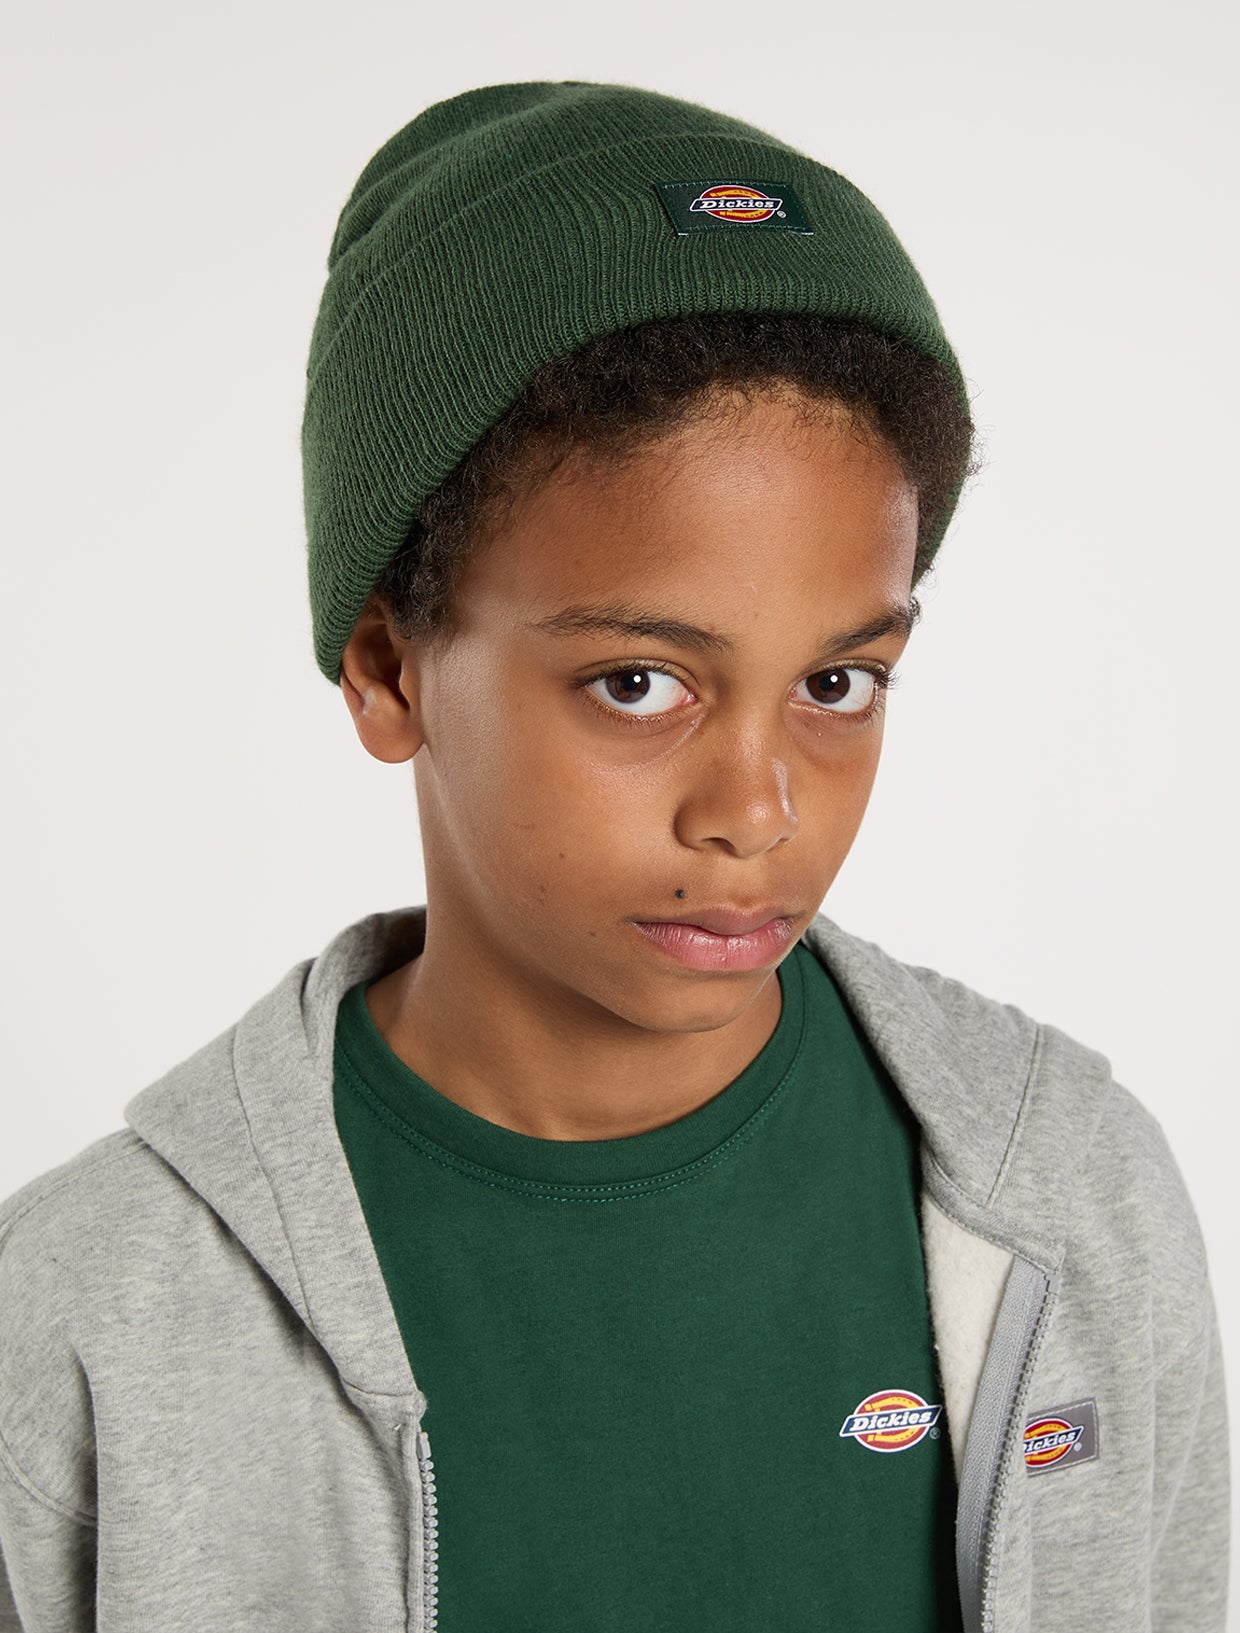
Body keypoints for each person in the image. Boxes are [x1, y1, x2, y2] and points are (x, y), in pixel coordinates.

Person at [0, 80, 1227, 1633]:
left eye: (839, 682)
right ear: (387, 666)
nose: (757, 809)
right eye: (639, 683)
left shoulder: (1073, 1198)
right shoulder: (91, 1316)